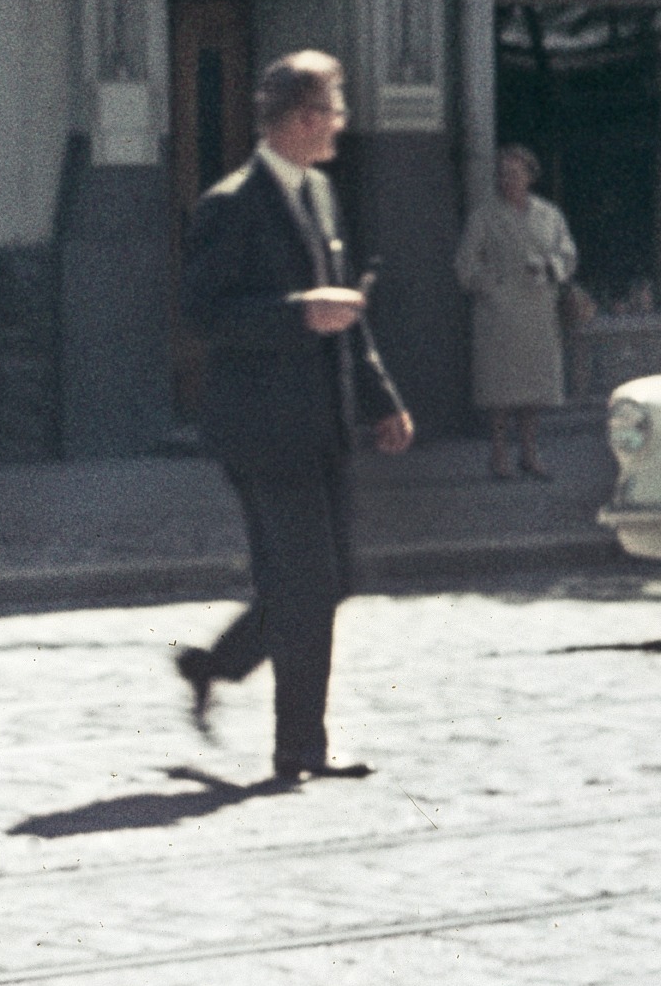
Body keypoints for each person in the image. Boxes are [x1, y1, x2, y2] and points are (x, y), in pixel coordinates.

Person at [176, 49, 414, 783]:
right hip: (263, 433)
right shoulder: (230, 203)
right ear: (307, 118)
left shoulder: (320, 193)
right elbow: (202, 316)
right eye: (337, 111)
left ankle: (216, 664)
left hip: (324, 422)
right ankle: (300, 749)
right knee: (308, 584)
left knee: (330, 580)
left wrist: (382, 400)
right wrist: (296, 312)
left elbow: (349, 311)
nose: (343, 125)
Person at [455, 144, 577, 479]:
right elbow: (465, 264)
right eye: (502, 173)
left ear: (530, 175)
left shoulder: (549, 215)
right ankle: (498, 457)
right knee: (501, 392)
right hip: (499, 315)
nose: (507, 179)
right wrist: (491, 285)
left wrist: (549, 267)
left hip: (538, 309)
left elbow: (567, 254)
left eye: (514, 173)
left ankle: (530, 454)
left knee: (534, 389)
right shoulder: (484, 216)